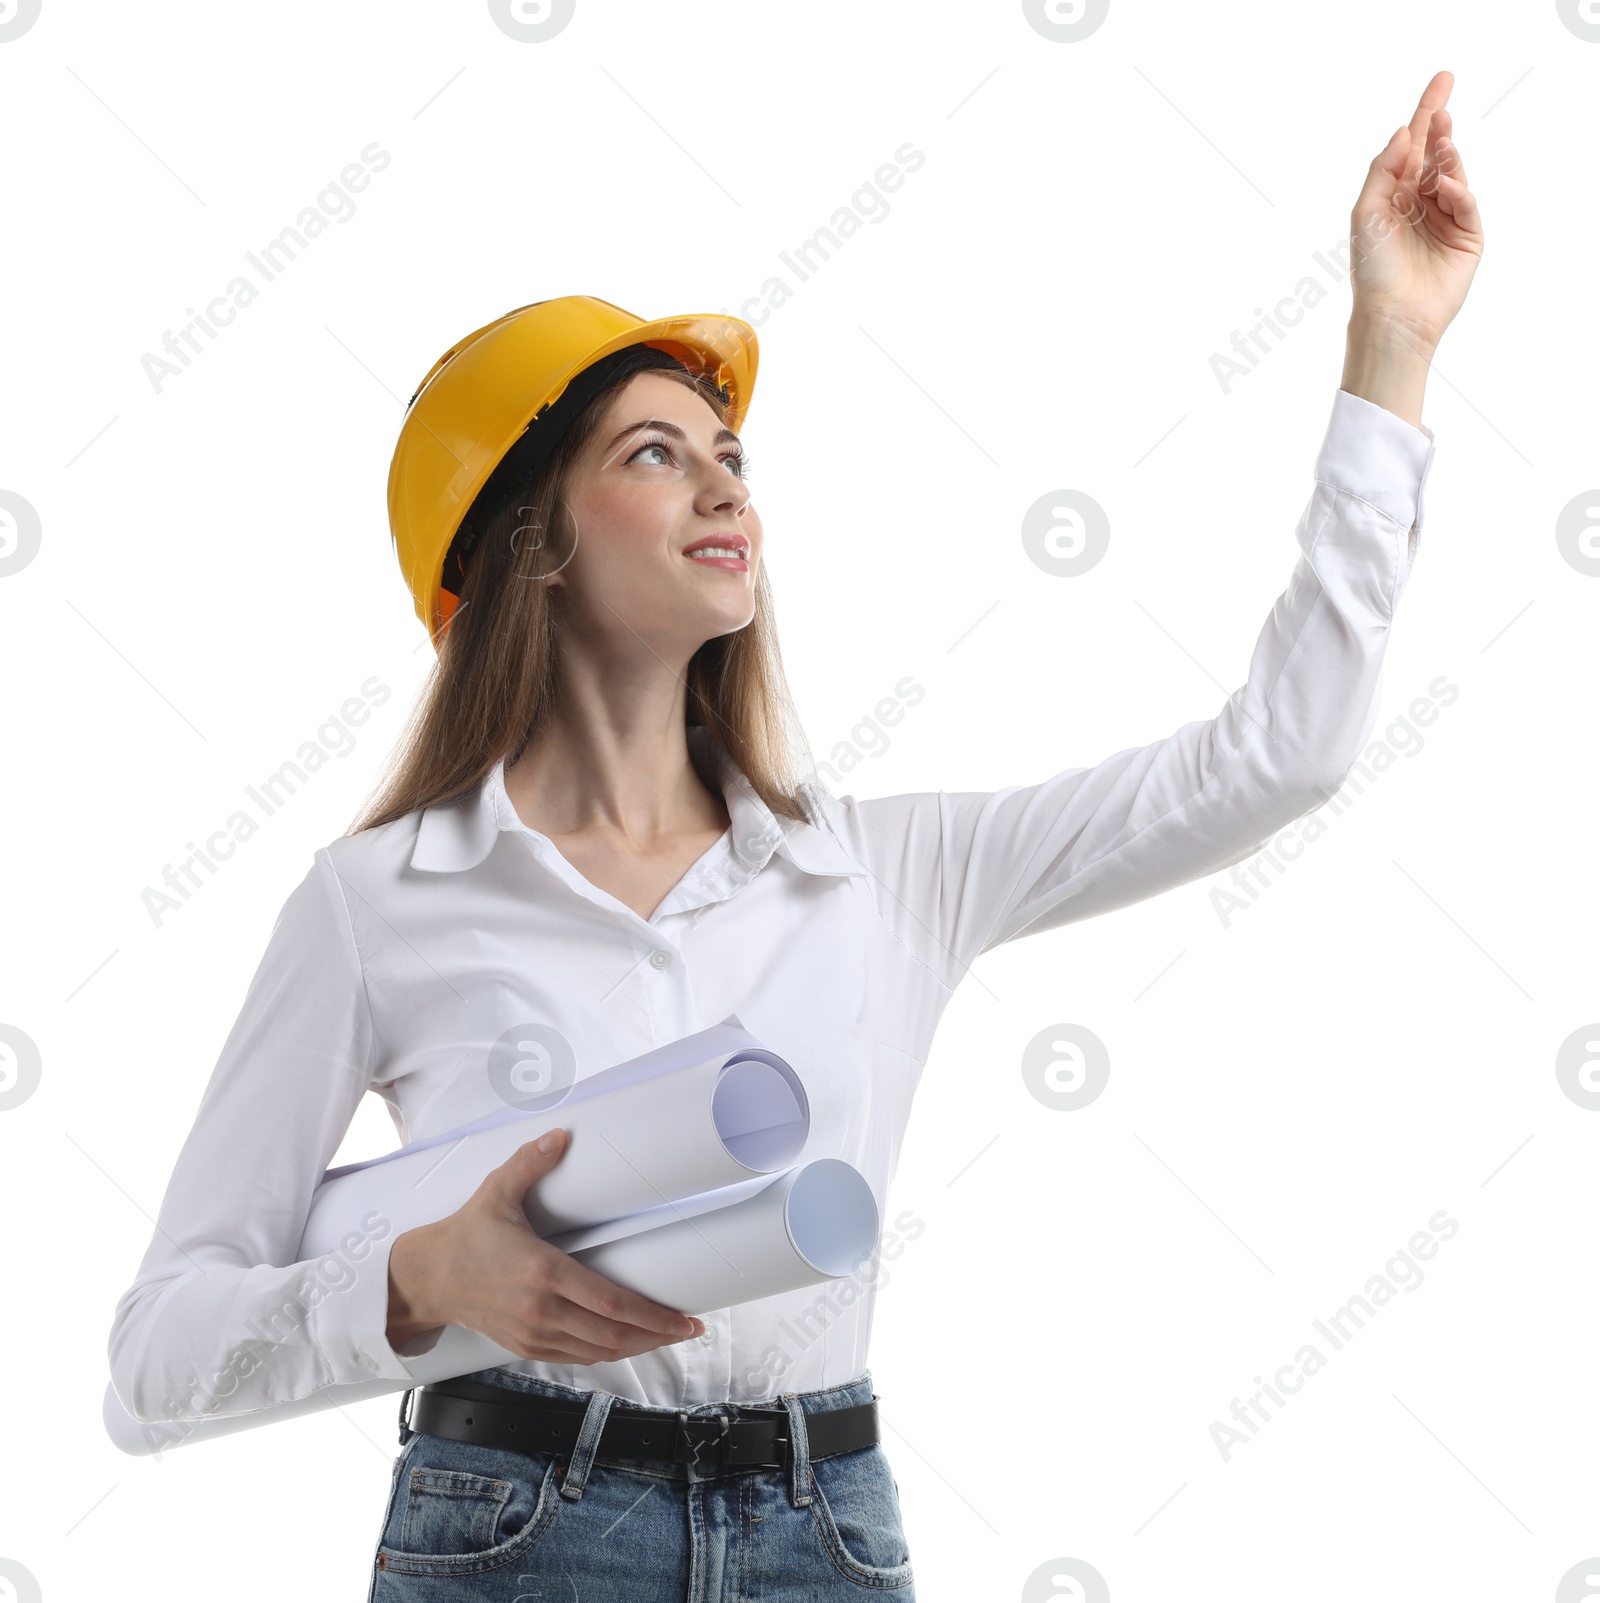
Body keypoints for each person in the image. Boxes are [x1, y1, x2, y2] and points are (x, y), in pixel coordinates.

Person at [107, 72, 1480, 1600]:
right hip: (513, 1529)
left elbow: (1281, 756)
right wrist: (420, 1276)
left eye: (732, 457)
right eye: (655, 454)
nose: (726, 489)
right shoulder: (378, 904)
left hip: (821, 1528)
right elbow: (160, 1351)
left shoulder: (886, 874)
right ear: (529, 546)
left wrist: (1392, 351)